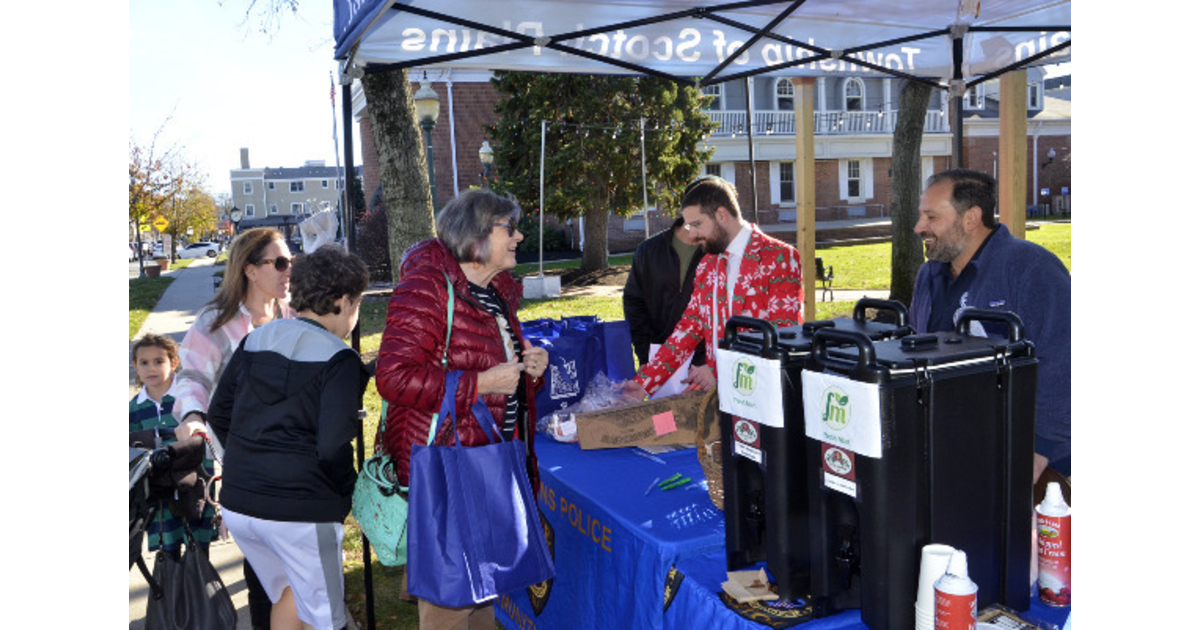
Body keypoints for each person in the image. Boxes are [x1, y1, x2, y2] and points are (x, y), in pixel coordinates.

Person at [375, 189, 549, 629]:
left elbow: (500, 370)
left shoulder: (497, 292)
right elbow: (393, 377)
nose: (518, 236)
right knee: (450, 603)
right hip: (449, 471)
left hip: (489, 463)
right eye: (509, 228)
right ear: (475, 235)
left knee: (481, 596)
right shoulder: (428, 287)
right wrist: (483, 382)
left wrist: (531, 369)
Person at [208, 245, 370, 630]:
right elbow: (332, 446)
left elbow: (218, 414)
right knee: (328, 620)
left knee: (290, 596)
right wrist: (350, 492)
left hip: (241, 504)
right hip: (300, 511)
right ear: (345, 301)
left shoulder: (256, 340)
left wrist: (249, 464)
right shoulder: (339, 358)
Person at [911, 168, 1071, 479]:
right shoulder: (929, 275)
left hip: (1042, 464)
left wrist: (1038, 451)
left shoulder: (1032, 270)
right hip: (958, 452)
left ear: (971, 219)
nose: (919, 227)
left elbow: (1065, 364)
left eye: (931, 217)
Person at [172, 226, 294, 630]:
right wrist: (193, 418)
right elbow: (190, 379)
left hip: (298, 461)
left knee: (298, 572)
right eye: (278, 262)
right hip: (246, 465)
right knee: (266, 574)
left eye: (290, 261)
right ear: (249, 270)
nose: (287, 269)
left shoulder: (295, 313)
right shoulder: (218, 321)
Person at [623, 175, 804, 399]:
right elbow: (687, 330)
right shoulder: (708, 264)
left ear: (721, 215)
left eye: (696, 224)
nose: (691, 234)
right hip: (721, 402)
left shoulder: (779, 257)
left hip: (767, 398)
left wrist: (720, 370)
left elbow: (783, 337)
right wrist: (644, 383)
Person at [128, 333, 217, 555]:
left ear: (174, 363)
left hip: (194, 479)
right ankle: (171, 586)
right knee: (168, 543)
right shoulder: (133, 409)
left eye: (159, 361)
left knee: (198, 545)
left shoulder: (188, 399)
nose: (151, 368)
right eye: (144, 363)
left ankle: (198, 586)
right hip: (157, 486)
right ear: (135, 367)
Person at [623, 214, 705, 371]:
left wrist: (708, 362)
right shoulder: (648, 251)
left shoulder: (718, 252)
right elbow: (634, 304)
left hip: (705, 366)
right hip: (658, 359)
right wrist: (645, 354)